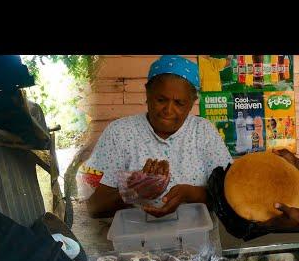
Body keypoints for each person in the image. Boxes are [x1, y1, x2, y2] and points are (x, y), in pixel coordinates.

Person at [85, 55, 233, 218]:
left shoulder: (204, 132)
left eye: (179, 103)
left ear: (192, 103)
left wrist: (190, 194)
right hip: (137, 241)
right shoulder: (119, 133)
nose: (168, 110)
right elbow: (94, 207)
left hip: (196, 241)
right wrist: (133, 191)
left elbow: (230, 196)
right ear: (147, 94)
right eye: (161, 99)